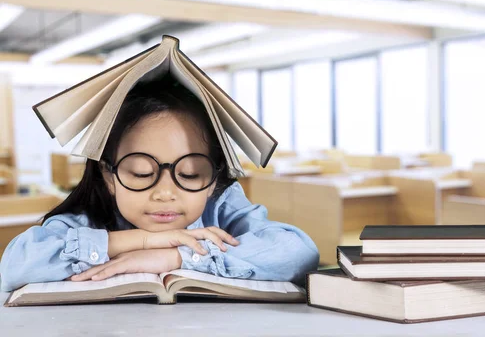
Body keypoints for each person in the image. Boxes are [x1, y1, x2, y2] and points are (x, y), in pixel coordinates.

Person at [0, 75, 319, 292]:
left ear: (212, 182)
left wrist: (177, 256)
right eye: (140, 173)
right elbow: (15, 265)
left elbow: (297, 251)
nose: (165, 193)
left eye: (191, 174)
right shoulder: (87, 217)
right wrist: (139, 242)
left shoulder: (221, 206)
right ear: (108, 176)